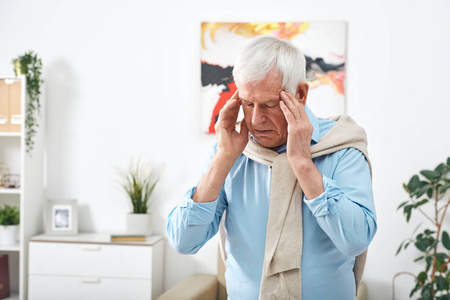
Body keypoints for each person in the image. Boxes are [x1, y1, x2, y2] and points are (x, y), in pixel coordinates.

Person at [167, 36, 377, 300]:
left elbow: (355, 241)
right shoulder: (230, 154)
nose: (256, 119)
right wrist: (222, 160)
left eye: (268, 104)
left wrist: (302, 162)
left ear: (300, 94)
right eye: (248, 103)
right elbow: (182, 241)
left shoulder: (343, 148)